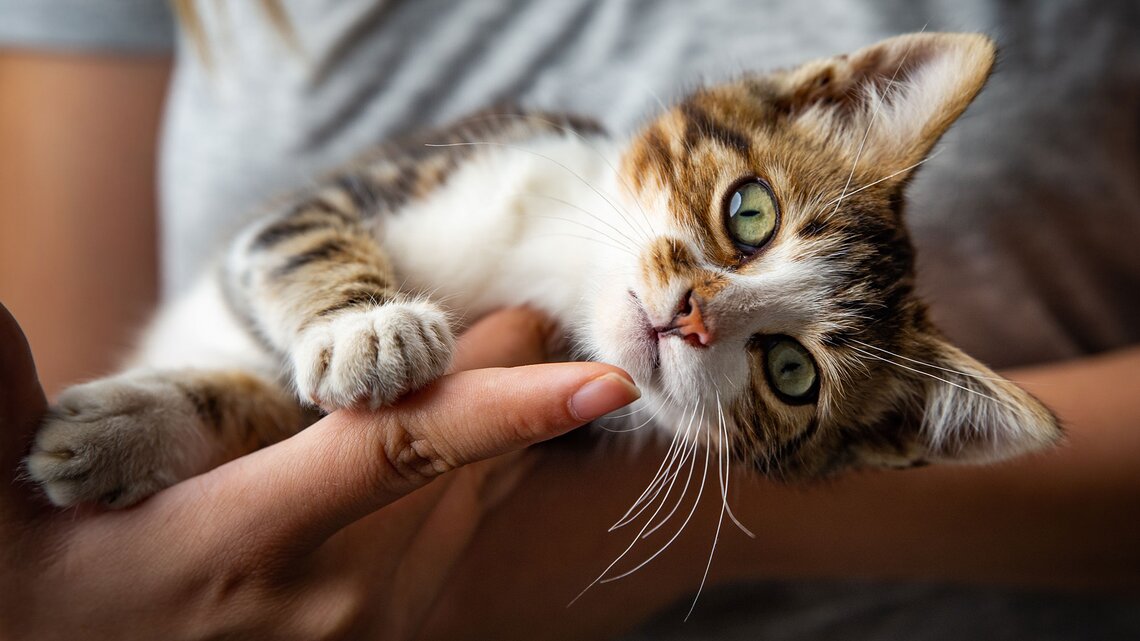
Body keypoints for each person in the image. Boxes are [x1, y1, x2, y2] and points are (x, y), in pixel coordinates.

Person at [1, 1, 1138, 639]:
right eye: (749, 214)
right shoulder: (518, 172)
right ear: (827, 96)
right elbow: (63, 425)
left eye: (786, 369)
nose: (703, 313)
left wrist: (547, 547)